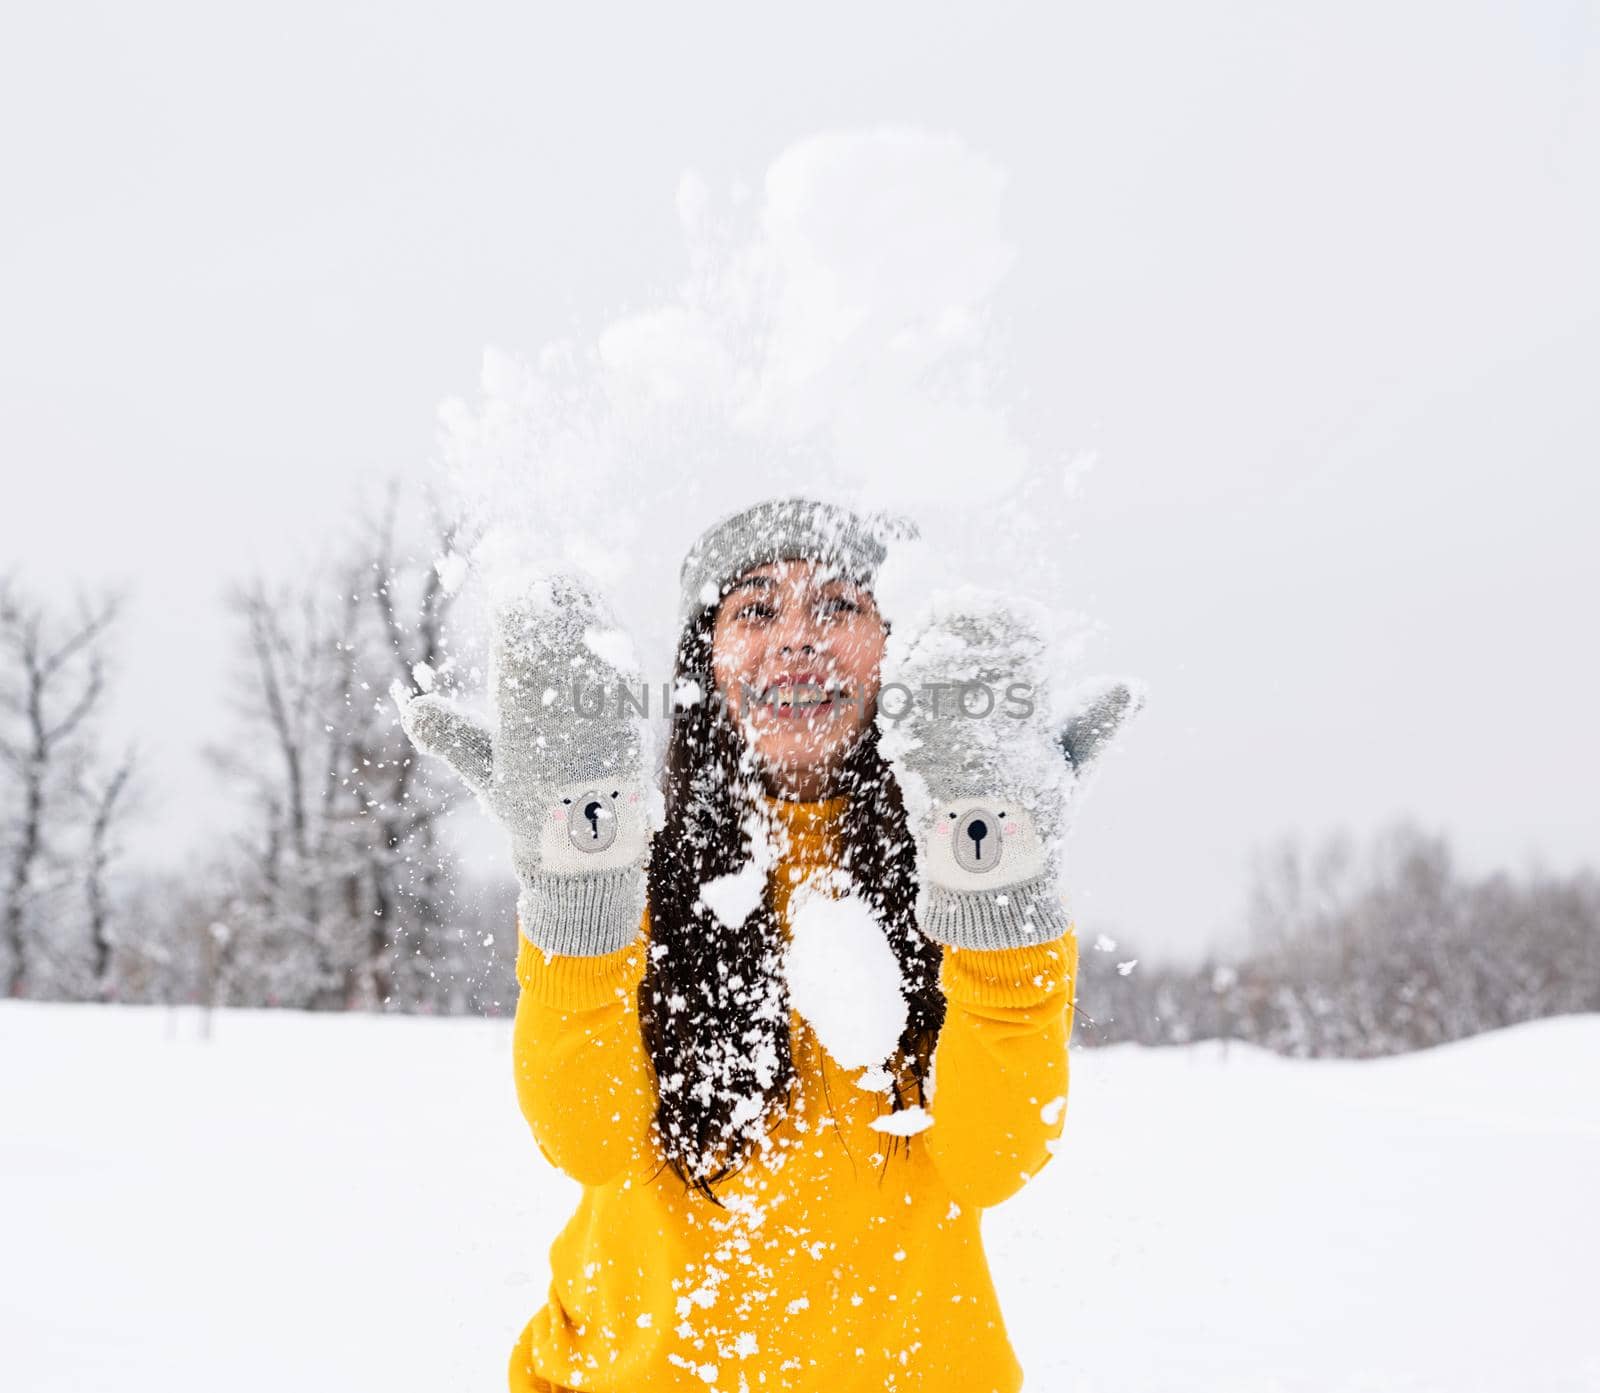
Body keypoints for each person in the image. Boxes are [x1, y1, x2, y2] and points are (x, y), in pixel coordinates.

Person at [392, 495, 1141, 1392]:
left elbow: (993, 1158)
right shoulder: (624, 854)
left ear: (894, 648)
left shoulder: (969, 872)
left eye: (839, 606)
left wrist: (997, 891)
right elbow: (585, 1141)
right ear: (703, 659)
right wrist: (576, 887)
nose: (797, 638)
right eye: (753, 609)